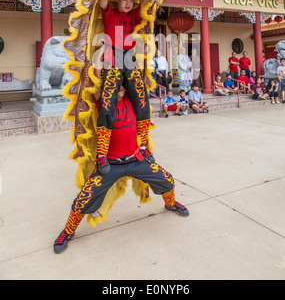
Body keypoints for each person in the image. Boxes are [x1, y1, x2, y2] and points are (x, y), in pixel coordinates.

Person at [53, 86, 189, 254]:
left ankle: (171, 204)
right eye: (116, 85)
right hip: (110, 165)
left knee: (167, 179)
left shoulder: (132, 101)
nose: (121, 88)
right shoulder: (104, 103)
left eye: (123, 85)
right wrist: (98, 60)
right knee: (84, 198)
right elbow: (96, 80)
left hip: (136, 160)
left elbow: (139, 79)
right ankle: (67, 232)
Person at [96, 0, 151, 174]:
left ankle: (143, 147)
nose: (128, 3)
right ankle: (102, 156)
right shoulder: (110, 13)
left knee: (143, 101)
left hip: (130, 58)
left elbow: (146, 2)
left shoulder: (134, 15)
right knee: (107, 104)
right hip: (112, 58)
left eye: (131, 0)